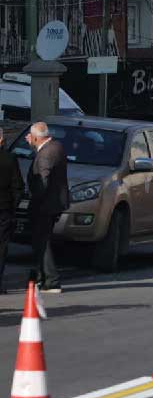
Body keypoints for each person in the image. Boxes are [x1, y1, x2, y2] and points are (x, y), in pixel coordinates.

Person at [26, 122, 68, 293]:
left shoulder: (45, 154)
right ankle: (41, 278)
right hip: (54, 203)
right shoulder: (56, 146)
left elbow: (43, 181)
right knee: (42, 240)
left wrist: (34, 200)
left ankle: (51, 281)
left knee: (42, 241)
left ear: (36, 137)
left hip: (44, 205)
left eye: (31, 137)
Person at [0, 129, 23, 294]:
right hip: (3, 209)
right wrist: (13, 206)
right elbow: (17, 186)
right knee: (1, 247)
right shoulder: (9, 159)